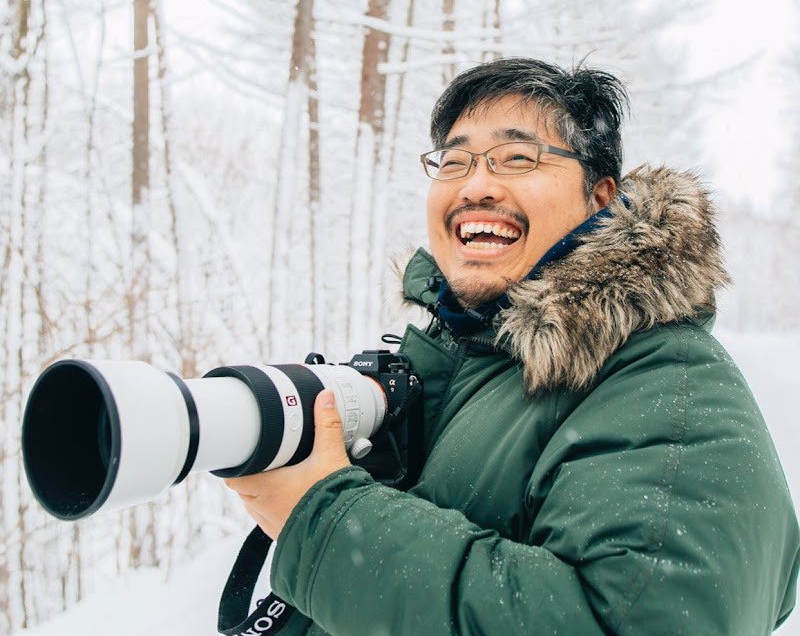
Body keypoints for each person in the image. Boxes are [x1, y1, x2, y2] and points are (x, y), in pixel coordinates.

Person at [226, 57, 800, 635]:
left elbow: (631, 622)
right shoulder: (468, 368)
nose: (475, 185)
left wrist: (325, 522)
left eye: (518, 157)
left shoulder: (671, 386)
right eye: (453, 162)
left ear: (600, 200)